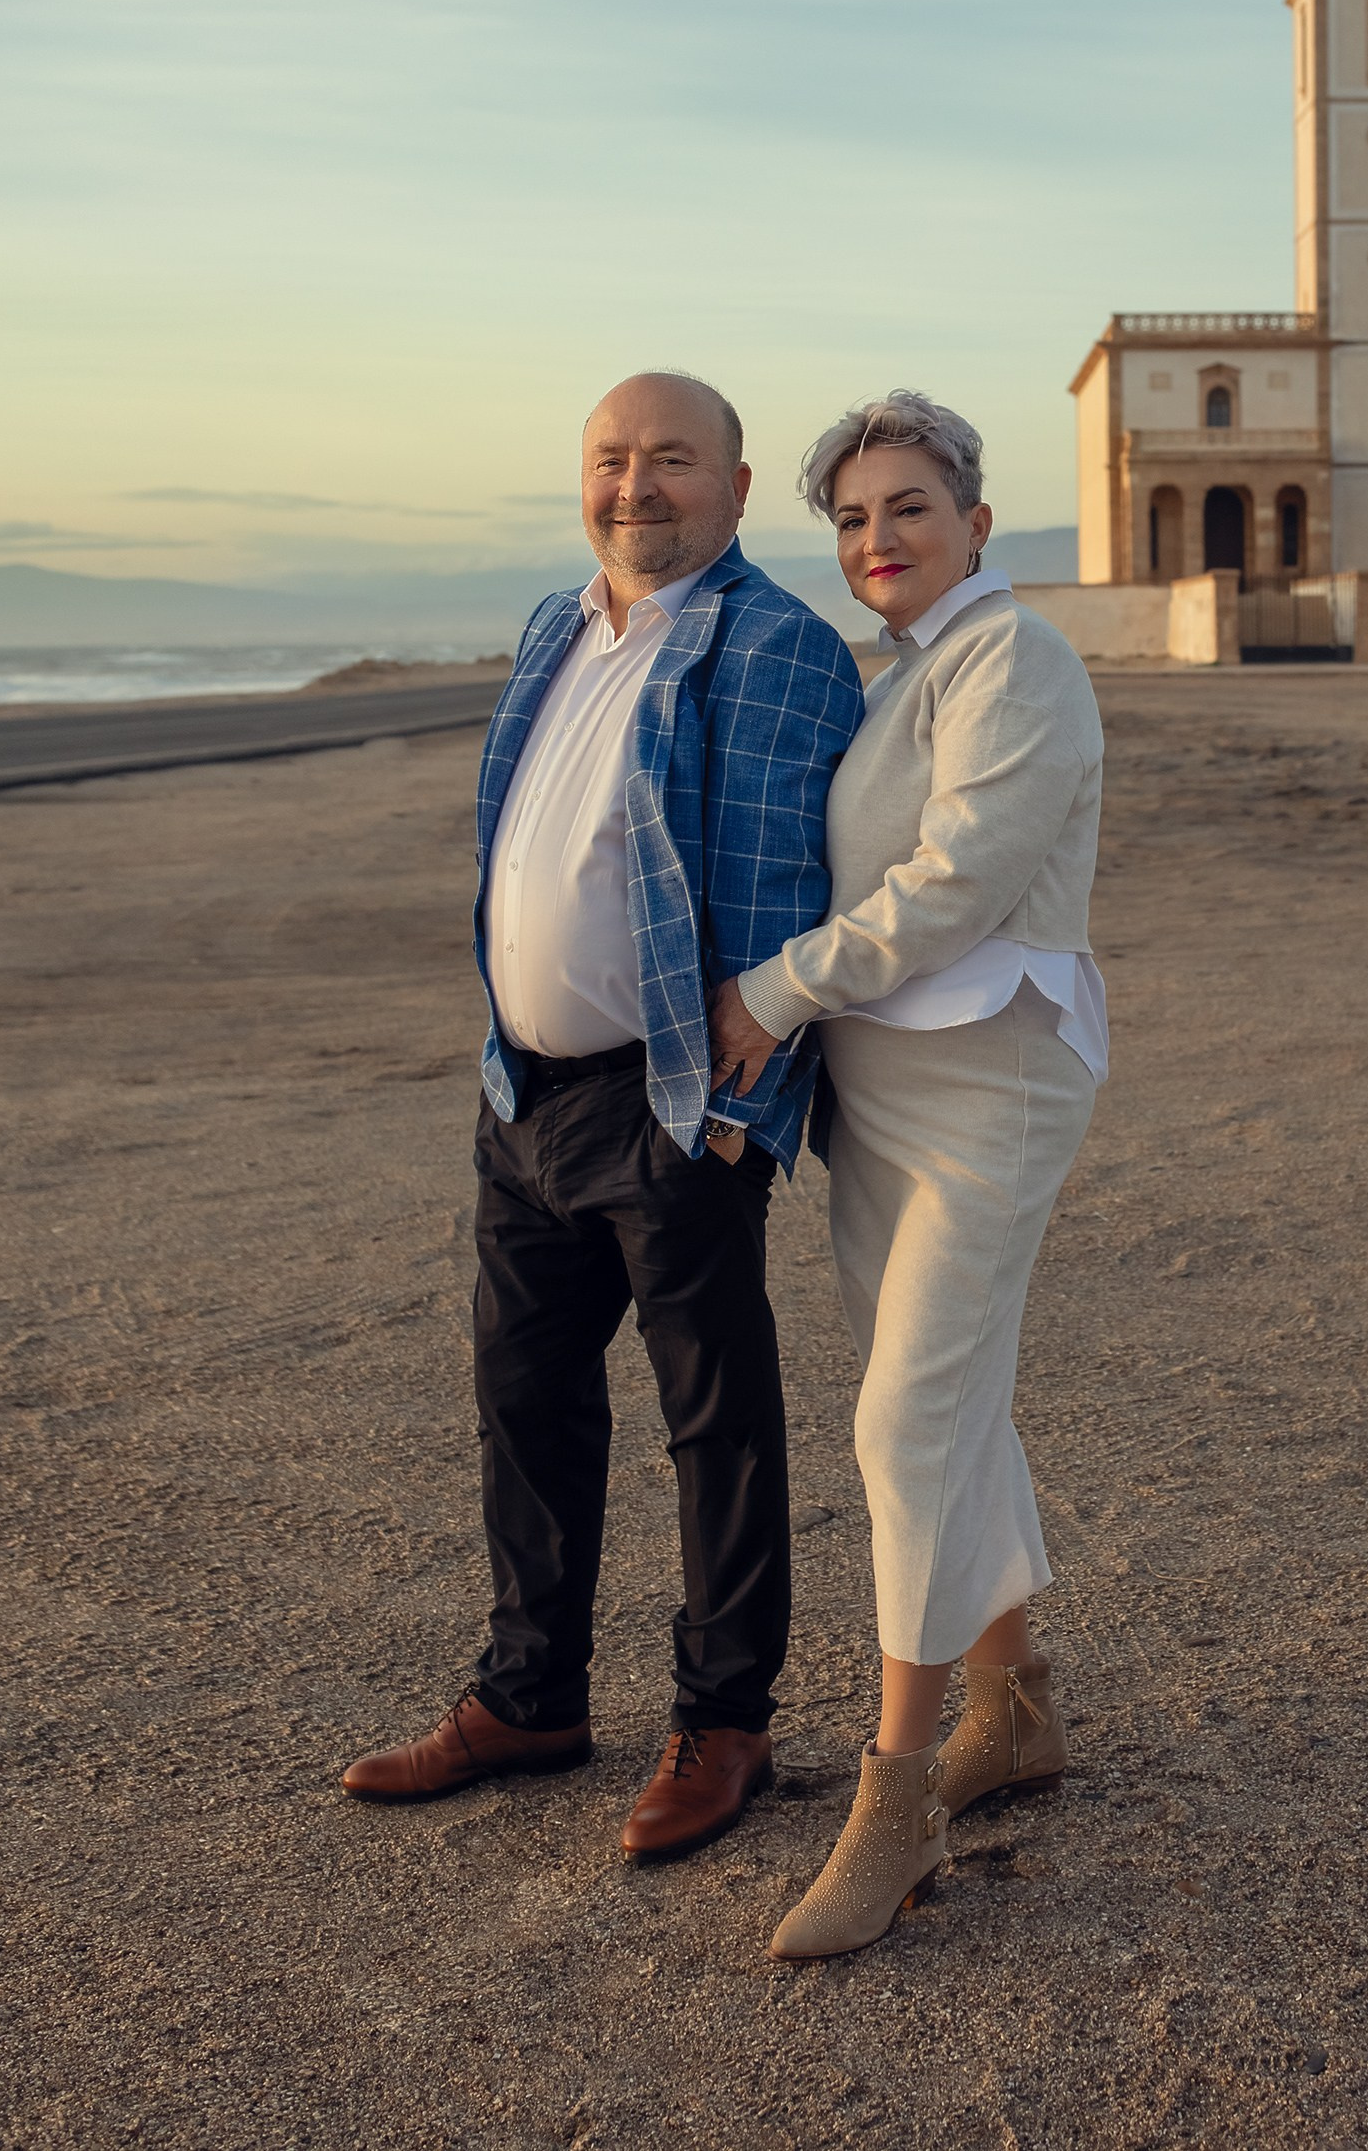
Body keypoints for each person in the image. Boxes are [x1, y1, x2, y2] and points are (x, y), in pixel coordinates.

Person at [342, 372, 864, 1864]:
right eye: (612, 459)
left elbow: (782, 889)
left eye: (672, 460)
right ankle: (531, 1698)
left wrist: (740, 1106)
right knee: (526, 1399)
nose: (636, 485)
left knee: (716, 1425)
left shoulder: (773, 643)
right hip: (524, 1093)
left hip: (671, 1101)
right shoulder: (554, 626)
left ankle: (727, 1720)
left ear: (737, 489)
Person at [709, 391, 1107, 1959]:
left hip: (987, 1089)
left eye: (910, 507)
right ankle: (1015, 1706)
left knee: (906, 1418)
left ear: (976, 522)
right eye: (853, 517)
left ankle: (894, 1799)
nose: (878, 537)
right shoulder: (902, 675)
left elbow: (956, 886)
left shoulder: (1018, 659)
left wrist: (774, 989)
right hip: (877, 1097)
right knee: (952, 1398)